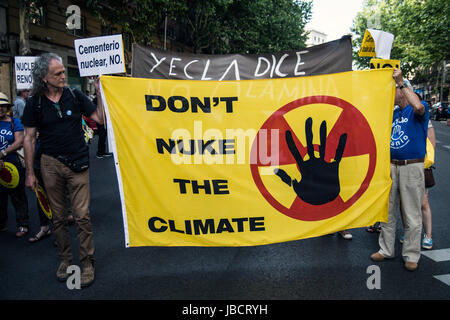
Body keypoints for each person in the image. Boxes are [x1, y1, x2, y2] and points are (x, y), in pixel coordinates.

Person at [22, 53, 105, 287]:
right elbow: (28, 139)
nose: (63, 76)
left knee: (82, 216)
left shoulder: (74, 95)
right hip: (50, 165)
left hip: (78, 163)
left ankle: (87, 263)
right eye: (57, 73)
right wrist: (30, 173)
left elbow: (98, 118)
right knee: (58, 217)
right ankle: (65, 261)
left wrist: (99, 92)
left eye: (63, 72)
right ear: (43, 78)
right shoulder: (34, 102)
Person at [370, 69, 428, 272]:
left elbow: (418, 106)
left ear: (402, 92)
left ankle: (411, 255)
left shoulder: (418, 109)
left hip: (411, 166)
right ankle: (386, 249)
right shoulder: (392, 113)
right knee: (387, 211)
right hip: (391, 166)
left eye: (392, 90)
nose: (390, 93)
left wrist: (401, 82)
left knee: (412, 213)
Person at [0, 92, 29, 236]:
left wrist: (3, 153)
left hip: (13, 164)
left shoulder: (14, 122)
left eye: (3, 106)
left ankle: (23, 224)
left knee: (18, 196)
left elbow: (19, 142)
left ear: (7, 108)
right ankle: (2, 224)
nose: (1, 109)